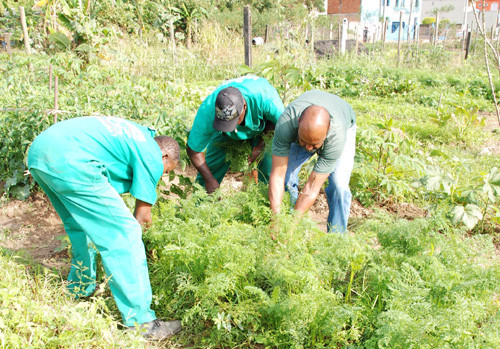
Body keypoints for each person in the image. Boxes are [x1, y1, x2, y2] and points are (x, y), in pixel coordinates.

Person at [27, 116, 182, 340]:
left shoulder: (134, 135)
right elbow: (142, 218)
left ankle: (80, 288)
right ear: (165, 156)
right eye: (166, 171)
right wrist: (143, 247)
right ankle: (143, 324)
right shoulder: (151, 153)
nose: (162, 175)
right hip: (73, 161)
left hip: (41, 152)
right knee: (125, 233)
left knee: (81, 223)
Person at [268, 90, 356, 233]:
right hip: (303, 128)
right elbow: (277, 175)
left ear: (328, 130)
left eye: (314, 145)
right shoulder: (286, 124)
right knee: (286, 179)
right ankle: (285, 228)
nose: (309, 148)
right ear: (298, 123)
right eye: (304, 141)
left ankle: (336, 239)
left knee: (339, 186)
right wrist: (276, 220)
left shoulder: (336, 137)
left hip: (344, 122)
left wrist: (292, 225)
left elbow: (312, 187)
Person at [186, 75, 284, 193]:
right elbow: (193, 150)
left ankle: (269, 204)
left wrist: (261, 145)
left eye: (234, 121)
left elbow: (280, 125)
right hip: (223, 136)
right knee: (209, 172)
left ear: (244, 106)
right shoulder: (207, 111)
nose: (231, 128)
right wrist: (209, 180)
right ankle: (199, 206)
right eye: (225, 123)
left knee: (270, 168)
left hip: (262, 127)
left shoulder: (266, 99)